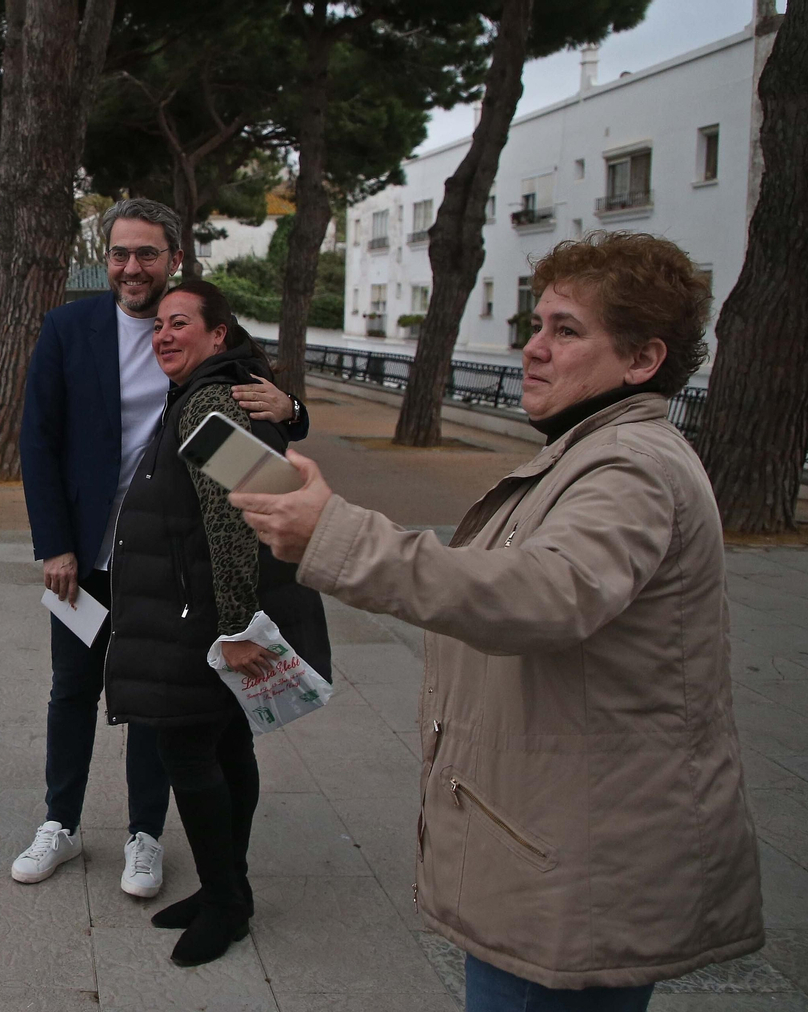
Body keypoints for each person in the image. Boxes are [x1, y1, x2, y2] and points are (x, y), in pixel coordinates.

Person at [230, 232, 763, 1010]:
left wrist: (336, 537)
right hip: (558, 851)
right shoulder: (590, 451)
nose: (533, 349)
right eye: (536, 325)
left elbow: (544, 593)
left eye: (566, 331)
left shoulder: (631, 466)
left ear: (643, 359)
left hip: (574, 875)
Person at [17, 198, 308, 896]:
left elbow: (263, 423)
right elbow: (38, 440)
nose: (131, 267)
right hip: (84, 560)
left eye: (147, 253)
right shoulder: (68, 329)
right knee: (72, 689)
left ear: (174, 258)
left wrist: (294, 410)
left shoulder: (197, 326)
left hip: (166, 566)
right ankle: (59, 822)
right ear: (106, 259)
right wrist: (55, 546)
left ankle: (144, 835)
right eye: (120, 253)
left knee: (153, 700)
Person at [102, 279, 330, 967]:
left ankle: (226, 902)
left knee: (191, 755)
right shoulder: (218, 393)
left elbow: (237, 521)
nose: (164, 335)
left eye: (181, 323)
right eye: (158, 326)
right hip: (198, 608)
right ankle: (227, 891)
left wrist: (235, 629)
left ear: (218, 335)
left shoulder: (208, 403)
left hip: (201, 619)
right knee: (228, 748)